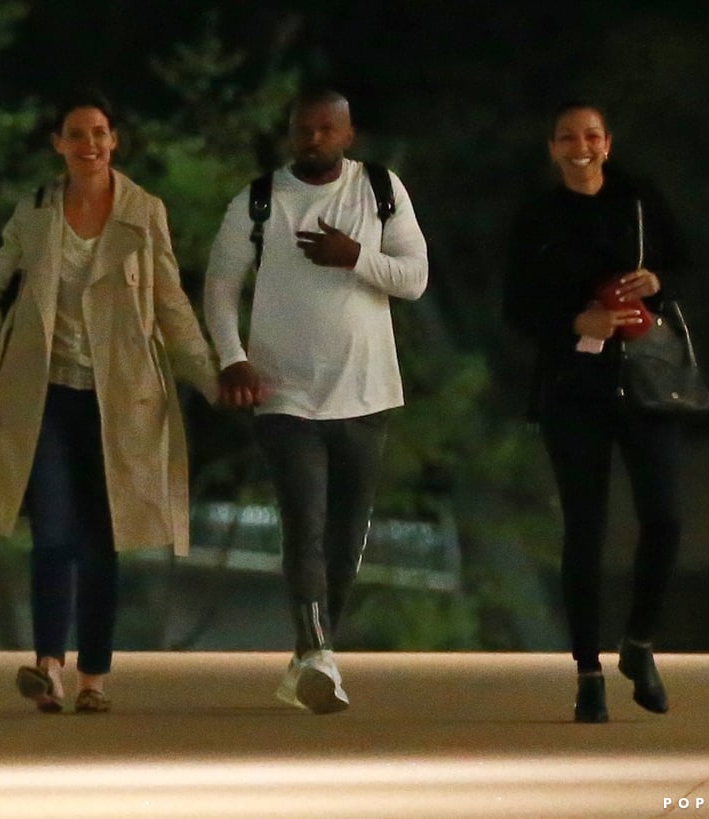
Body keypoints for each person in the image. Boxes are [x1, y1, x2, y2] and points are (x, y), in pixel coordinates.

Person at [0, 89, 218, 714]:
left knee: (102, 541)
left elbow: (171, 303)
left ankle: (94, 675)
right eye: (76, 134)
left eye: (98, 132)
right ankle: (48, 665)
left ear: (114, 140)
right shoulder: (34, 213)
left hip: (118, 402)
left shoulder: (143, 213)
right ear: (58, 145)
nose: (88, 144)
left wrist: (212, 375)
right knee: (52, 535)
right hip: (43, 397)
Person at [204, 89, 428, 713]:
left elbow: (415, 279)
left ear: (348, 134)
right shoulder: (258, 200)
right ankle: (318, 657)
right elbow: (221, 284)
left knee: (346, 532)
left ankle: (310, 653)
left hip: (366, 390)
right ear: (290, 134)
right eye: (304, 130)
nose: (314, 140)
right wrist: (232, 357)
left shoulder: (380, 190)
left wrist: (355, 257)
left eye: (327, 130)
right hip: (285, 393)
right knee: (303, 521)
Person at [504, 101, 690, 722]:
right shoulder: (537, 218)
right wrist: (572, 322)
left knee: (664, 517)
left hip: (644, 381)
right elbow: (516, 308)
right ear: (553, 149)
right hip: (572, 386)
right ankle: (588, 672)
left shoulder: (639, 201)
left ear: (607, 143)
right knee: (585, 531)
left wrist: (656, 281)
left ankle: (638, 644)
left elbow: (686, 263)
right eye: (566, 138)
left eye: (590, 136)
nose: (579, 147)